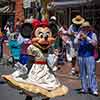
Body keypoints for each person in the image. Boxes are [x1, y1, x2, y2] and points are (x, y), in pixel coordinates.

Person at [74, 21, 98, 96]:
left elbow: (95, 44)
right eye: (83, 27)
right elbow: (75, 43)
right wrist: (78, 37)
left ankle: (93, 89)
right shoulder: (80, 34)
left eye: (86, 27)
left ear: (89, 28)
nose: (84, 28)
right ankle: (84, 88)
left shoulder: (93, 34)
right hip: (81, 56)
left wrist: (86, 38)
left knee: (91, 73)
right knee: (82, 73)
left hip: (89, 56)